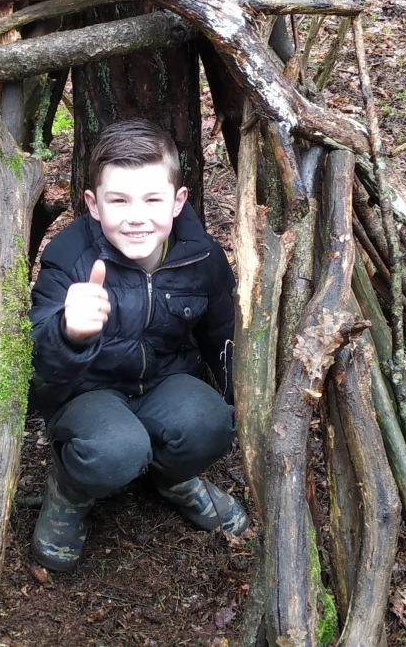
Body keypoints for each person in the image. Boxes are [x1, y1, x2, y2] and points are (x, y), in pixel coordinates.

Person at [27, 120, 247, 573]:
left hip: (163, 381)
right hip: (87, 393)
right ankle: (69, 491)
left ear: (178, 200)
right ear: (93, 204)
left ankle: (173, 478)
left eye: (152, 199)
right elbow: (33, 363)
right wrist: (68, 332)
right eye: (119, 200)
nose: (136, 216)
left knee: (211, 424)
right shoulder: (68, 258)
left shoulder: (201, 256)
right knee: (116, 450)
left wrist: (237, 399)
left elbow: (221, 333)